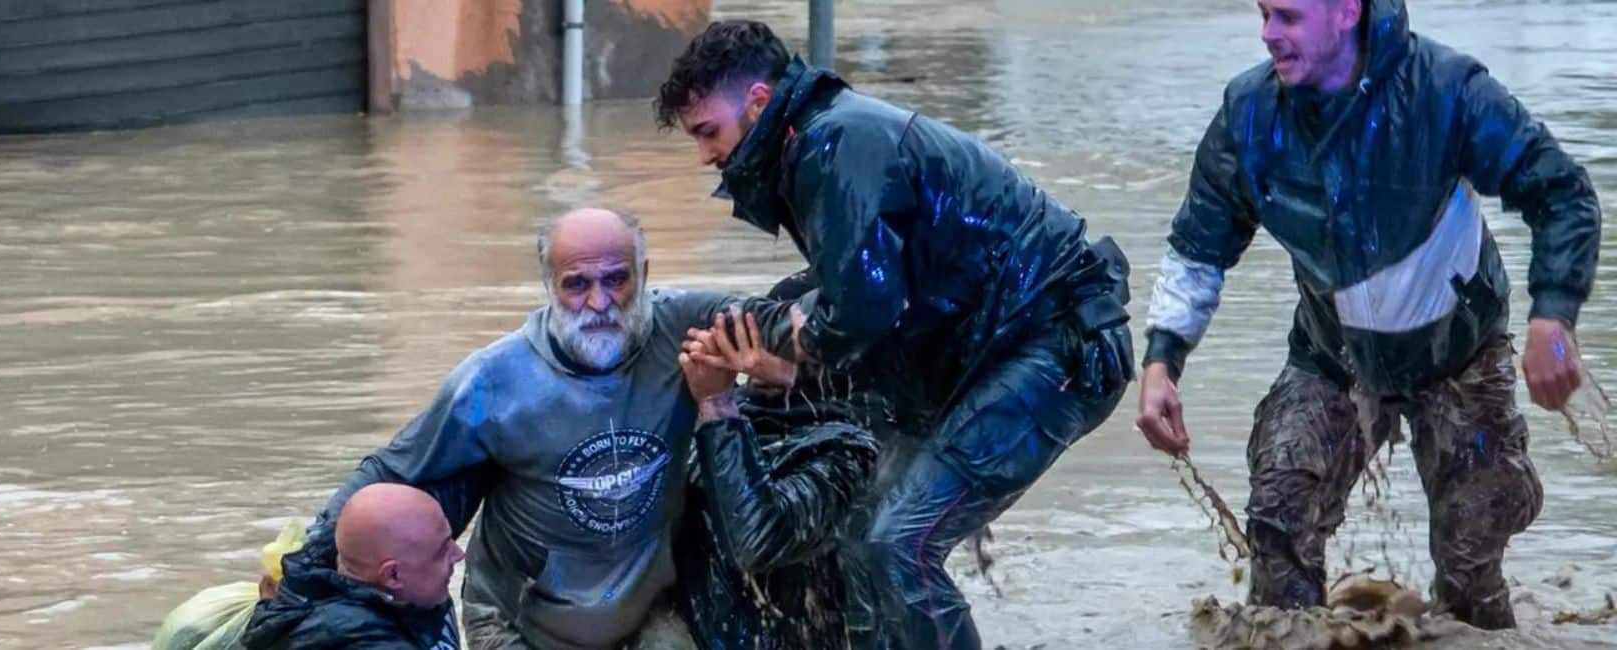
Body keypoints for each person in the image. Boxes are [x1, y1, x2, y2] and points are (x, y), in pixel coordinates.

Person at [656, 20, 1136, 649]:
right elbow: (858, 300)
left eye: (707, 133)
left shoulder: (834, 146)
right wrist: (779, 347)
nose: (705, 157)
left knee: (897, 541)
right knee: (864, 535)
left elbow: (856, 315)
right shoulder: (818, 139)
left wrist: (768, 340)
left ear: (759, 102)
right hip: (1001, 349)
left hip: (1055, 347)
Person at [1134, 0, 1600, 629]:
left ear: (1348, 11)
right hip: (1332, 357)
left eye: (1289, 17)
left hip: (1458, 356)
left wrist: (1554, 319)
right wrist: (1163, 360)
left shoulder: (1445, 90)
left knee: (1469, 552)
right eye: (1265, 13)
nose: (1269, 34)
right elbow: (1197, 248)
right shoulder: (1248, 115)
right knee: (1279, 511)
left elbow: (1563, 193)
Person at [264, 208, 796, 650]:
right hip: (517, 624)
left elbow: (788, 324)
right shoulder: (493, 381)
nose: (600, 302)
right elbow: (394, 469)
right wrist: (304, 567)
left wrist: (784, 364)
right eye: (576, 285)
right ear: (548, 286)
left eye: (617, 279)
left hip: (649, 610)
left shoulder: (688, 326)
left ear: (646, 273)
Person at [672, 306, 879, 650]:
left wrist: (717, 404)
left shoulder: (855, 445)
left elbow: (757, 542)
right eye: (769, 333)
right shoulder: (715, 410)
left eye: (789, 341)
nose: (756, 351)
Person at [243, 484, 465, 649]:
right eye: (442, 550)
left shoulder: (297, 594)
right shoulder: (369, 641)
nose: (459, 554)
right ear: (393, 575)